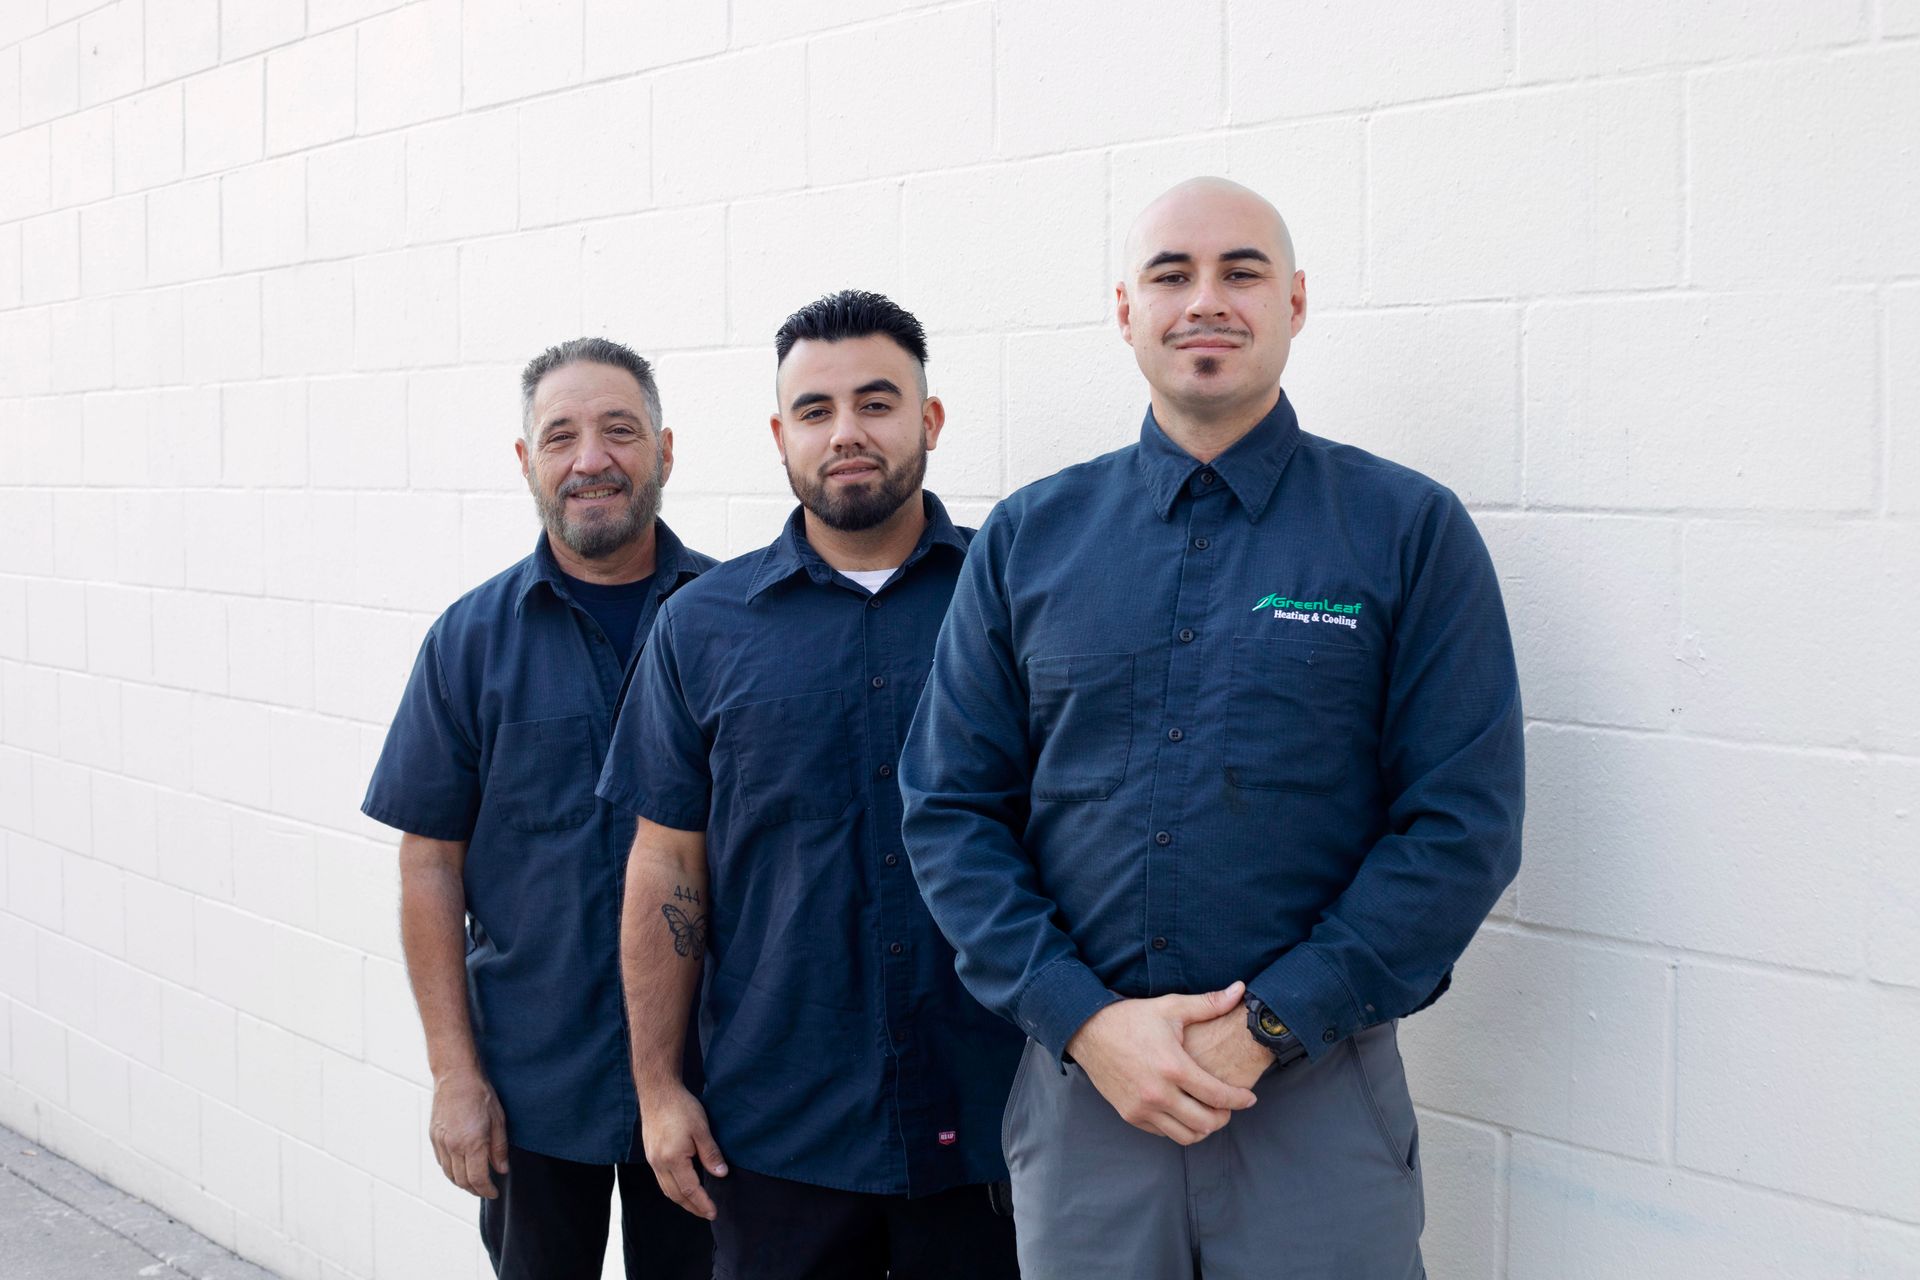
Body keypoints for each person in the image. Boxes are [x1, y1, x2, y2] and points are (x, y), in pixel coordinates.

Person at [899, 177, 1526, 1278]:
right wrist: (1084, 1019)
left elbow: (1461, 826)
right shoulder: (1029, 539)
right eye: (1170, 274)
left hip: (1316, 1105)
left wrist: (1270, 1023)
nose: (1206, 300)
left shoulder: (1406, 530)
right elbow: (949, 809)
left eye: (1241, 271)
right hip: (1087, 1104)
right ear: (1125, 310)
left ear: (1294, 302)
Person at [598, 291, 1023, 1280]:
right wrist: (658, 1089)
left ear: (931, 419)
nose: (847, 434)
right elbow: (667, 864)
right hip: (778, 1131)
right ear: (780, 435)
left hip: (999, 1119)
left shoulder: (1014, 600)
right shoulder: (700, 627)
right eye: (816, 410)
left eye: (877, 403)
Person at [362, 338, 715, 1280]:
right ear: (527, 462)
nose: (591, 459)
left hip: (713, 1085)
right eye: (561, 436)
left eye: (620, 431)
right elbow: (429, 865)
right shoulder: (468, 643)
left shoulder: (736, 621)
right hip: (531, 1087)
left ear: (665, 451)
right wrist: (454, 1075)